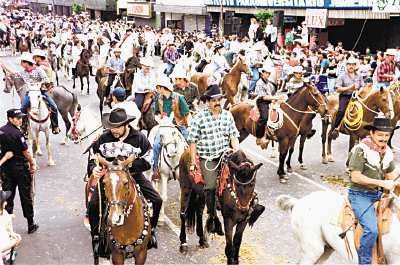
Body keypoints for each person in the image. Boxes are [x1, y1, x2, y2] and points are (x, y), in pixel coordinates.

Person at [188, 84, 265, 234]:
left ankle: (251, 205)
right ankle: (212, 217)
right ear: (207, 101)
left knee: (245, 176)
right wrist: (192, 162)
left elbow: (233, 136)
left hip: (226, 154)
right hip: (208, 157)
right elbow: (193, 141)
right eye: (214, 100)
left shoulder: (227, 115)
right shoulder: (199, 118)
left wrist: (237, 153)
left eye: (219, 99)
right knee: (210, 187)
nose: (218, 102)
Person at [87, 108, 162, 250]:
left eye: (117, 127)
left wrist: (130, 166)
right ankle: (96, 236)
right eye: (111, 127)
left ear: (126, 124)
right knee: (93, 204)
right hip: (110, 177)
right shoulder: (103, 138)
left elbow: (149, 159)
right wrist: (93, 168)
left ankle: (151, 232)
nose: (114, 130)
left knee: (157, 200)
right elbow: (93, 155)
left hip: (132, 174)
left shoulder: (139, 138)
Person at [347, 115, 399, 265]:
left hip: (377, 194)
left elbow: (390, 175)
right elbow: (355, 177)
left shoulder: (386, 151)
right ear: (371, 133)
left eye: (387, 135)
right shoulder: (360, 150)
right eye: (380, 135)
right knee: (371, 229)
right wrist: (381, 182)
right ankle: (364, 262)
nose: (384, 138)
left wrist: (395, 182)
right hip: (359, 195)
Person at [0, 53, 60, 134]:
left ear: (27, 62)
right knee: (23, 108)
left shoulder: (39, 70)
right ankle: (24, 126)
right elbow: (14, 73)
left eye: (22, 62)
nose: (21, 64)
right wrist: (4, 67)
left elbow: (46, 80)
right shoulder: (23, 72)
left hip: (41, 91)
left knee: (54, 106)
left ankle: (55, 125)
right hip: (30, 93)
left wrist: (37, 84)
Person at [0, 108, 39, 234]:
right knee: (26, 196)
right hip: (20, 169)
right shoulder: (18, 134)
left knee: (8, 198)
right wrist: (32, 163)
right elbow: (26, 151)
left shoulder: (1, 131)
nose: (20, 120)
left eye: (21, 118)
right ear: (10, 119)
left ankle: (7, 226)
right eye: (17, 118)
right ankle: (30, 223)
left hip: (6, 169)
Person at [152, 76, 191, 178]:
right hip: (164, 126)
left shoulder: (179, 98)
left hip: (178, 125)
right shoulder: (158, 99)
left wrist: (189, 126)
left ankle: (192, 168)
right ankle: (155, 169)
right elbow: (156, 113)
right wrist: (159, 119)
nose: (157, 90)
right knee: (156, 145)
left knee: (189, 143)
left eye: (158, 87)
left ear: (162, 88)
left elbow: (187, 114)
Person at [254, 65, 286, 149]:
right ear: (262, 73)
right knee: (264, 116)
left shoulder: (267, 82)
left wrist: (276, 99)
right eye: (266, 73)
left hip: (268, 100)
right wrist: (275, 98)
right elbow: (263, 97)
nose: (268, 74)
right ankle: (259, 136)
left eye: (269, 73)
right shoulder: (259, 83)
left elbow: (270, 94)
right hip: (262, 101)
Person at [331, 57, 364, 140]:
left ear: (355, 66)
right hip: (345, 96)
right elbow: (338, 88)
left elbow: (362, 87)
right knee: (342, 110)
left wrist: (358, 92)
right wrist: (350, 88)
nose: (351, 66)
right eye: (349, 64)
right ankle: (336, 128)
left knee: (365, 108)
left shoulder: (359, 75)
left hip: (357, 95)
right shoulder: (342, 76)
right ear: (346, 65)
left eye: (353, 64)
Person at [0, 189, 22, 265]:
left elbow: (6, 230)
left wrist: (12, 234)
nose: (6, 203)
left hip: (7, 253)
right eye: (3, 201)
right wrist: (13, 243)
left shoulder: (3, 212)